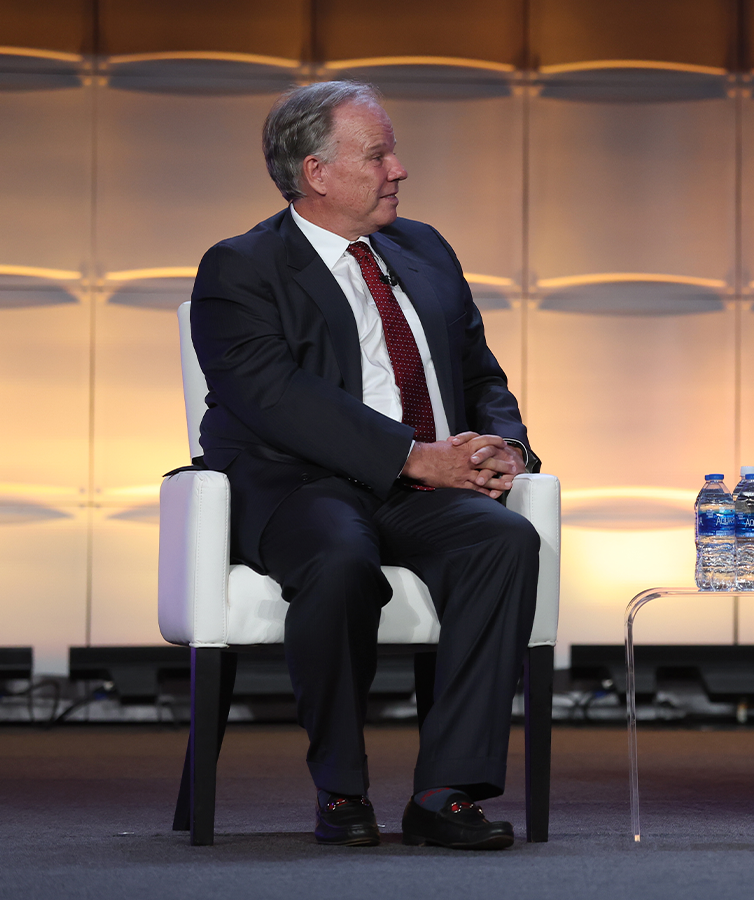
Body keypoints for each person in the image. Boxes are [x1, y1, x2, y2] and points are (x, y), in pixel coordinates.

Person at [189, 81, 541, 850]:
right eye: (378, 154)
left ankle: (448, 790)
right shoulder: (240, 268)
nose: (399, 170)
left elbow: (480, 374)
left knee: (504, 542)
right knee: (341, 559)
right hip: (300, 486)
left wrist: (502, 448)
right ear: (316, 172)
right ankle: (342, 789)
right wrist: (416, 458)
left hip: (421, 486)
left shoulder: (426, 249)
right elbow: (278, 398)